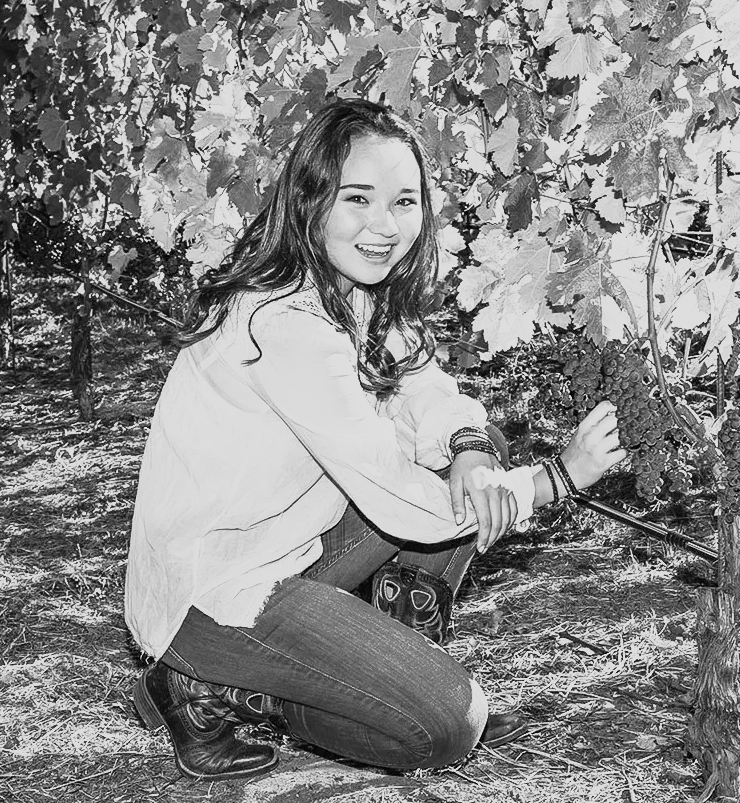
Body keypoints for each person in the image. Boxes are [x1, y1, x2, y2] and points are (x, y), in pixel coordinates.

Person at [124, 98, 626, 781]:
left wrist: (473, 449)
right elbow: (394, 496)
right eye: (358, 198)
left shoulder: (351, 288)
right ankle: (211, 685)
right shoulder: (285, 324)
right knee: (448, 725)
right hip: (216, 596)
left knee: (471, 456)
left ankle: (392, 659)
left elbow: (428, 389)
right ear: (311, 198)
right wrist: (555, 481)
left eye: (404, 202)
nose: (384, 227)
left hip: (284, 550)